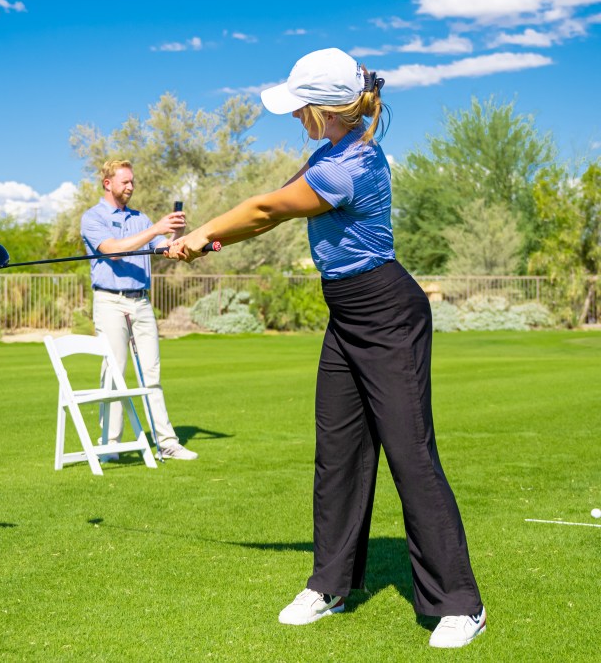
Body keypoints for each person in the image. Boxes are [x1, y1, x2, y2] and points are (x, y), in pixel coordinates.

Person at [165, 48, 485, 648]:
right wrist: (206, 242)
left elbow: (264, 209)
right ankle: (331, 584)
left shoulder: (350, 167)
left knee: (409, 453)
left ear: (323, 108)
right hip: (347, 314)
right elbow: (267, 215)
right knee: (338, 450)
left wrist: (206, 232)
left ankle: (459, 603)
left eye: (298, 108)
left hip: (388, 313)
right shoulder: (327, 154)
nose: (292, 117)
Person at [79, 159, 197, 461]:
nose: (130, 186)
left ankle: (167, 443)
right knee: (114, 372)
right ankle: (110, 444)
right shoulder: (92, 218)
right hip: (109, 301)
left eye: (132, 182)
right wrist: (156, 228)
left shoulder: (140, 218)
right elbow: (114, 251)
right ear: (108, 183)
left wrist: (174, 235)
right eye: (125, 182)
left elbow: (163, 249)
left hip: (141, 301)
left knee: (151, 373)